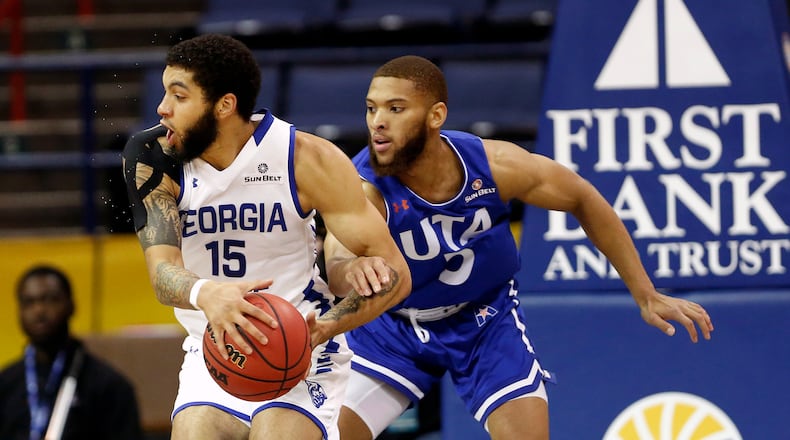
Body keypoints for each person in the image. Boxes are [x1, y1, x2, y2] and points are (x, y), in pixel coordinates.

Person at [323, 55, 715, 440]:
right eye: (371, 108)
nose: (378, 122)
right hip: (394, 327)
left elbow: (583, 198)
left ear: (436, 115)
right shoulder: (364, 188)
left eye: (396, 108)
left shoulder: (493, 166)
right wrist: (348, 272)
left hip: (484, 319)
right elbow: (338, 256)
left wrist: (644, 294)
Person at [121, 34, 411, 440]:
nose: (162, 109)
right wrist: (209, 293)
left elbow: (396, 273)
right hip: (215, 348)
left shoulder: (306, 158)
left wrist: (324, 327)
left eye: (179, 96)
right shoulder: (153, 157)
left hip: (298, 349)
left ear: (224, 105)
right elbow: (163, 274)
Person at [0, 265, 143, 440]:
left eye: (50, 299)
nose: (39, 311)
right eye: (29, 302)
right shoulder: (6, 384)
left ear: (71, 306)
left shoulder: (109, 387)